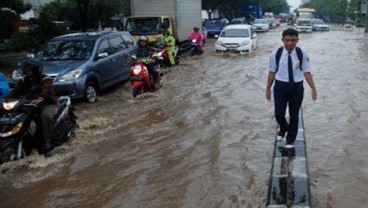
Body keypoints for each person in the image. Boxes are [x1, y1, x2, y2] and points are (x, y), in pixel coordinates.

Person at [265, 28, 317, 148]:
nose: (290, 43)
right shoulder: (276, 54)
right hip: (280, 87)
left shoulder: (301, 54)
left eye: (293, 40)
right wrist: (268, 89)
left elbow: (307, 72)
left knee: (294, 114)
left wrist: (313, 89)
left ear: (297, 40)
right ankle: (283, 128)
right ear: (282, 40)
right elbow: (271, 72)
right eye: (287, 40)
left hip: (296, 88)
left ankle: (290, 139)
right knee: (279, 114)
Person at [7, 58, 59, 152]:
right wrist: (5, 101)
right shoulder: (23, 80)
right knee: (14, 117)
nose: (28, 71)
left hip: (47, 103)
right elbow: (13, 93)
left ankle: (47, 140)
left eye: (30, 69)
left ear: (36, 69)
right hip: (29, 105)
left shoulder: (46, 79)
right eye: (26, 70)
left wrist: (39, 99)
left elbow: (45, 92)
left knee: (45, 116)